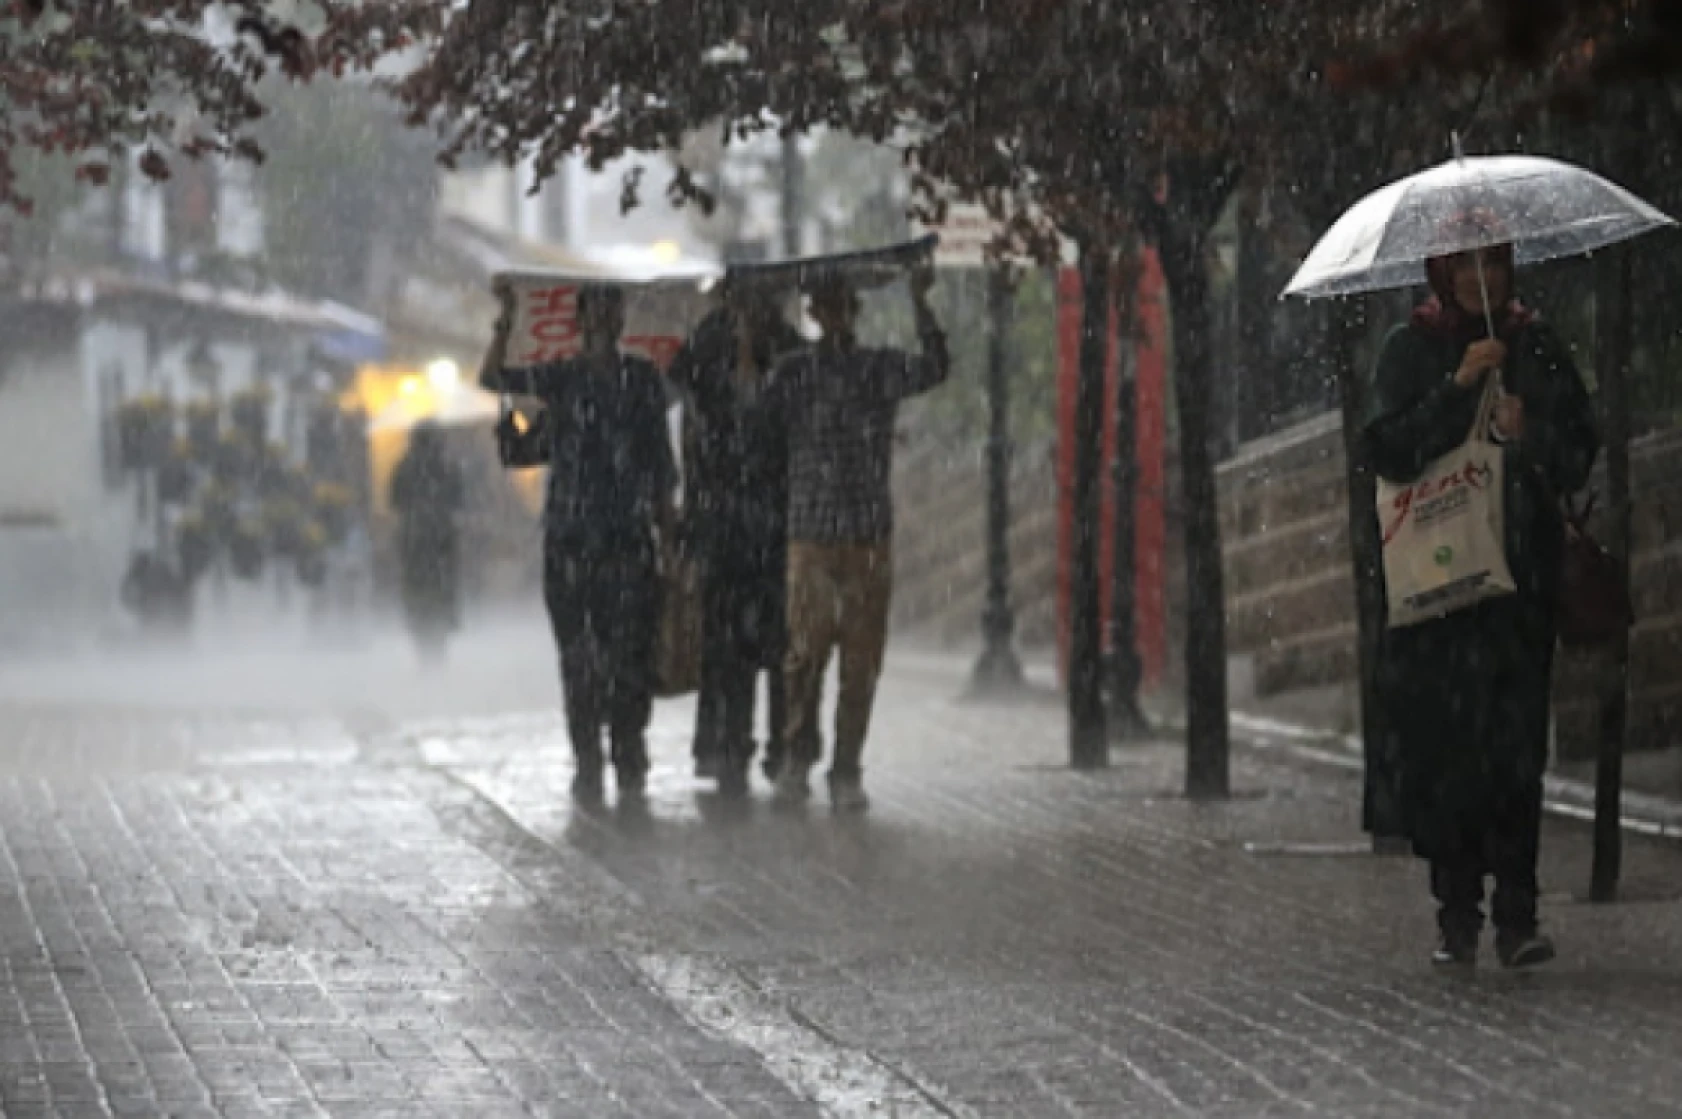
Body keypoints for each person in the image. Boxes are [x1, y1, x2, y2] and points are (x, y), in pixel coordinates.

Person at [1362, 227, 1597, 968]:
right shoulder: (1412, 348)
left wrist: (1528, 433)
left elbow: (1578, 451)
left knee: (1517, 750)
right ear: (1441, 271)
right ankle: (1456, 909)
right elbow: (1389, 449)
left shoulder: (1538, 344)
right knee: (1449, 750)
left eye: (1493, 260)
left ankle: (1518, 914)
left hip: (1516, 586)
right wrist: (1457, 390)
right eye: (1465, 262)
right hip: (1439, 590)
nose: (1481, 276)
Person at [481, 284, 677, 801]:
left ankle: (628, 752)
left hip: (627, 538)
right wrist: (505, 319)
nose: (604, 322)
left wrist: (668, 528)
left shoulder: (642, 381)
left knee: (629, 654)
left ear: (620, 320)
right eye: (595, 313)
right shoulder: (562, 379)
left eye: (612, 312)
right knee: (578, 657)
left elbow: (659, 461)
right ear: (580, 320)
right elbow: (493, 378)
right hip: (570, 540)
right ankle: (588, 756)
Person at [766, 263, 949, 812]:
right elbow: (754, 413)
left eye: (841, 303)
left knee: (860, 661)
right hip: (812, 532)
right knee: (805, 652)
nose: (833, 314)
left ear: (852, 310)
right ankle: (798, 755)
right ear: (814, 313)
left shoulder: (877, 368)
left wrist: (921, 304)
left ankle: (846, 767)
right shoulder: (794, 371)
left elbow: (935, 367)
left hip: (866, 532)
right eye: (824, 304)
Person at [668, 282, 807, 795]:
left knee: (776, 642)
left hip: (773, 521)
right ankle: (729, 745)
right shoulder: (707, 346)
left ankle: (780, 746)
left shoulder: (789, 349)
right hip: (724, 521)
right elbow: (685, 401)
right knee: (727, 643)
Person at [388, 421, 464, 663]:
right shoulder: (447, 466)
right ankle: (438, 646)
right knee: (440, 593)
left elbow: (394, 500)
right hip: (441, 539)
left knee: (418, 594)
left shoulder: (404, 467)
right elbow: (458, 499)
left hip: (414, 540)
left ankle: (423, 645)